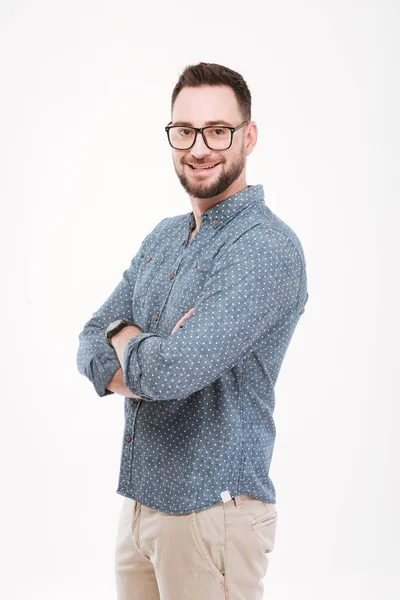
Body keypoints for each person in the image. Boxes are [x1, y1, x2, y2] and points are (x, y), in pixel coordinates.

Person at [76, 61, 309, 600]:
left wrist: (133, 344)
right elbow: (90, 338)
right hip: (140, 506)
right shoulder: (163, 238)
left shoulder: (264, 249)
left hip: (212, 514)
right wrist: (137, 341)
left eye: (217, 131)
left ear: (248, 137)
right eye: (185, 131)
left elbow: (175, 372)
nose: (199, 148)